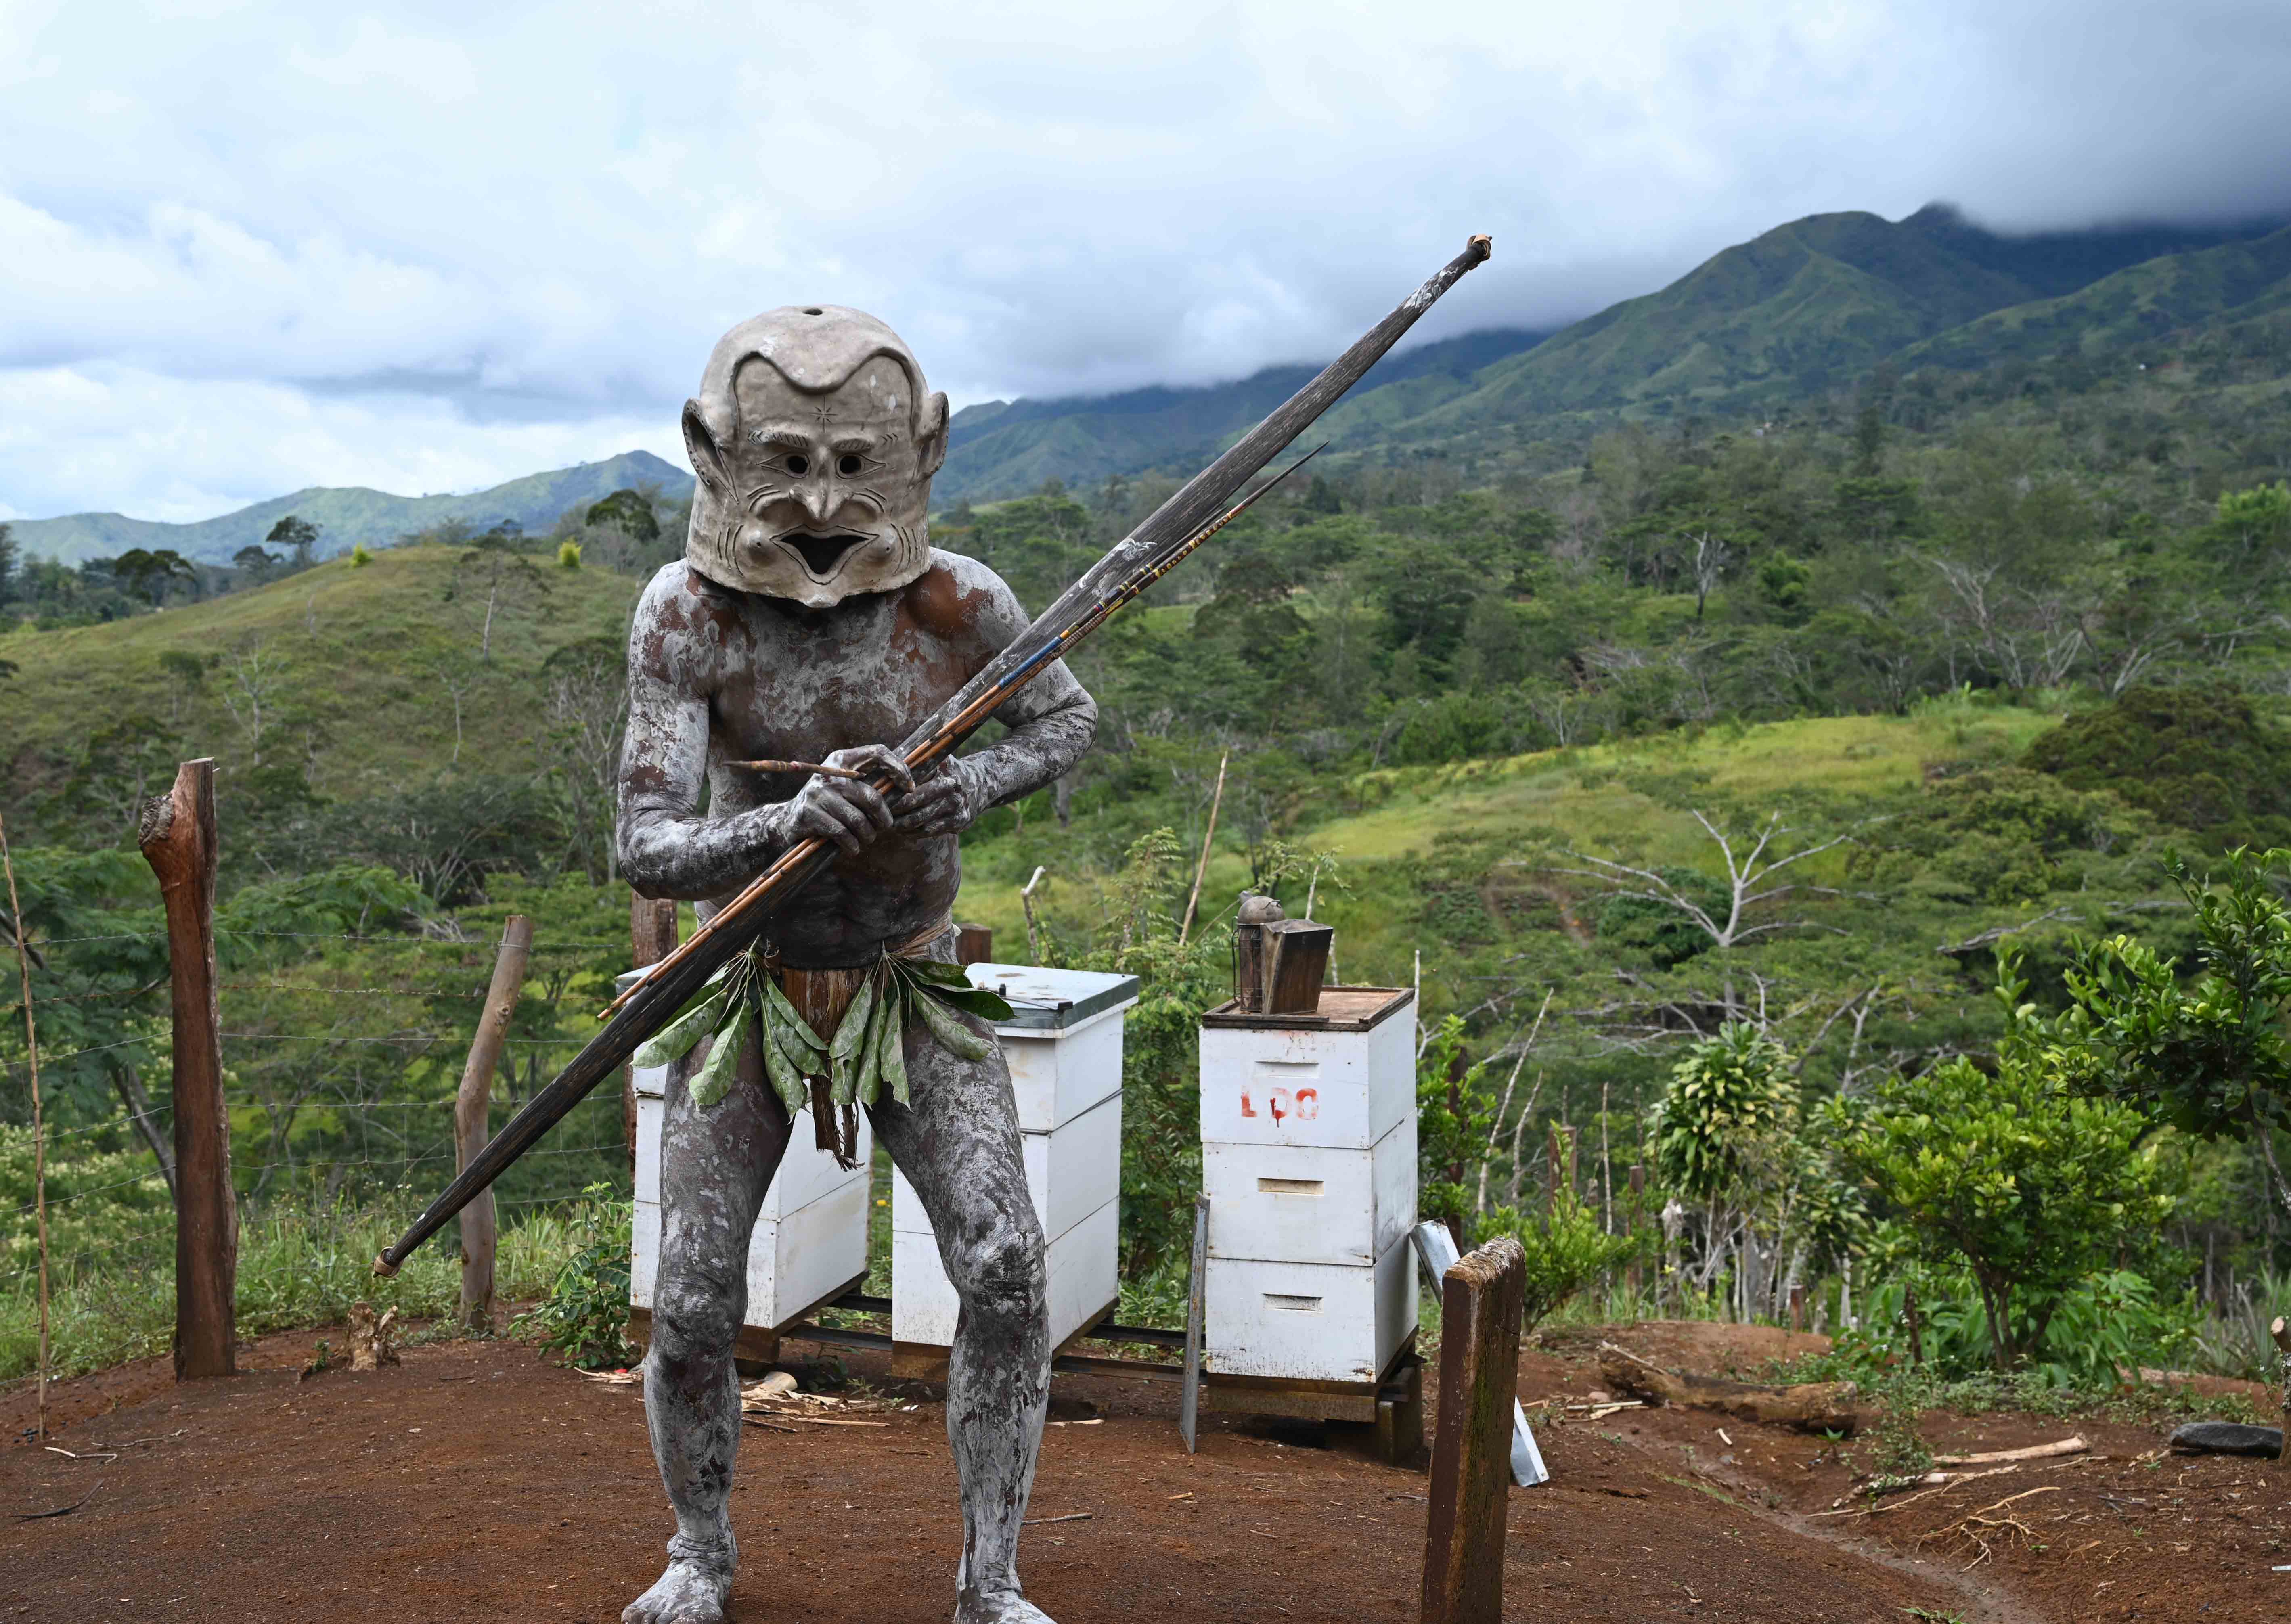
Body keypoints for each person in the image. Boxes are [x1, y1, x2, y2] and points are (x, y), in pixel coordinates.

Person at [615, 305, 1095, 1624]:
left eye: (852, 466)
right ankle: (699, 1552)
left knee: (1002, 1267)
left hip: (908, 981)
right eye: (786, 462)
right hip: (755, 987)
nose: (822, 504)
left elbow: (1065, 717)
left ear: (919, 453)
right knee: (698, 1296)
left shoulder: (959, 603)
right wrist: (789, 820)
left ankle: (990, 1578)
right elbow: (647, 846)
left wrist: (960, 791)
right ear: (712, 452)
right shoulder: (687, 617)